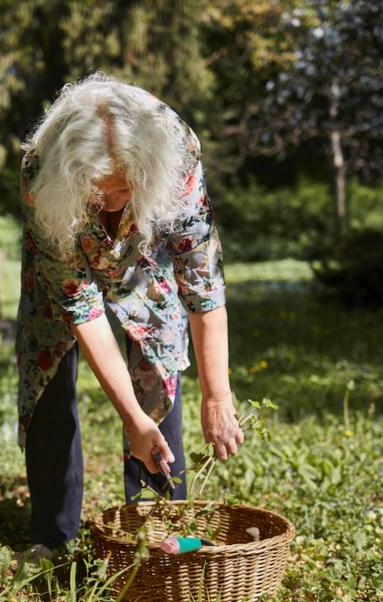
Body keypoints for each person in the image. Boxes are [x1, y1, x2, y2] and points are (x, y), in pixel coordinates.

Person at [16, 72, 243, 559]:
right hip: (63, 250)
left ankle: (158, 531)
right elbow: (81, 306)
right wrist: (131, 419)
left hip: (146, 255)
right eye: (101, 191)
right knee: (47, 365)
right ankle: (52, 536)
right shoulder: (42, 174)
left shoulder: (176, 153)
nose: (114, 202)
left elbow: (202, 282)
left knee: (159, 358)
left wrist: (217, 396)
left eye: (125, 189)